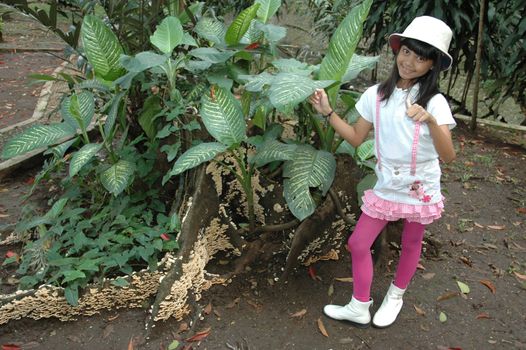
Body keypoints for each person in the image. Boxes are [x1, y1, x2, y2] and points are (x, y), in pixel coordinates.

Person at [309, 16, 456, 328]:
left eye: (421, 57)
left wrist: (430, 120)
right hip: (388, 182)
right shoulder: (376, 94)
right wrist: (328, 113)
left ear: (432, 65)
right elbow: (355, 137)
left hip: (420, 184)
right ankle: (360, 305)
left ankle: (395, 295)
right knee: (358, 243)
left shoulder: (435, 102)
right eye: (406, 52)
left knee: (413, 241)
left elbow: (449, 155)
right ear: (397, 51)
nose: (410, 62)